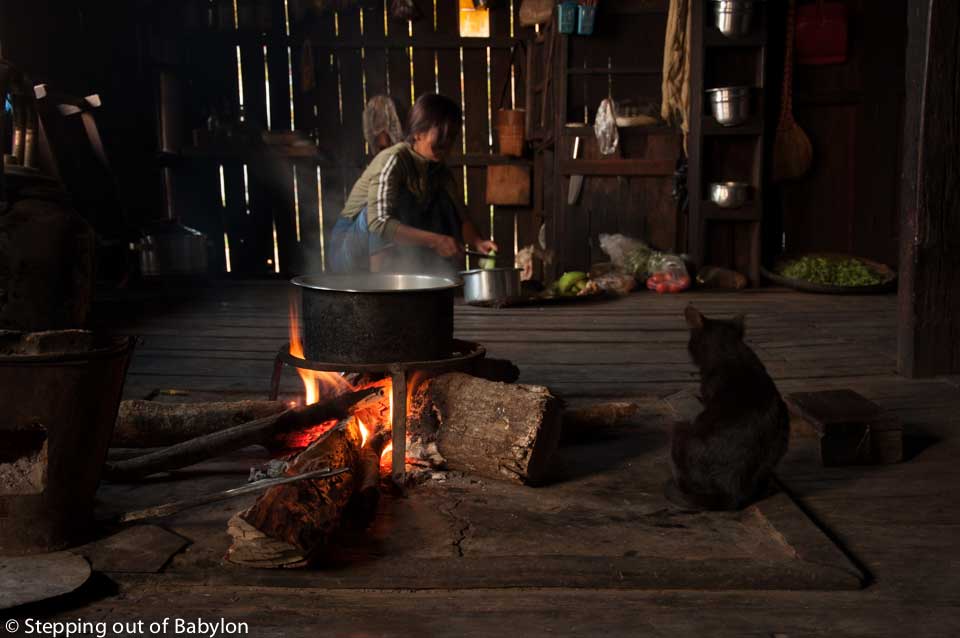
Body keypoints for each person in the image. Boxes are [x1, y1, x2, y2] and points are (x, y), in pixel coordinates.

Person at [329, 93, 497, 274]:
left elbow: (461, 217)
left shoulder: (439, 170)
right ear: (417, 133)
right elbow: (378, 223)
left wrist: (478, 242)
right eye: (440, 139)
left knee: (443, 204)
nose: (446, 147)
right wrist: (436, 241)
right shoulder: (393, 158)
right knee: (378, 214)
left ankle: (428, 276)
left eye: (450, 139)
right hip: (347, 248)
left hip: (385, 247)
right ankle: (379, 287)